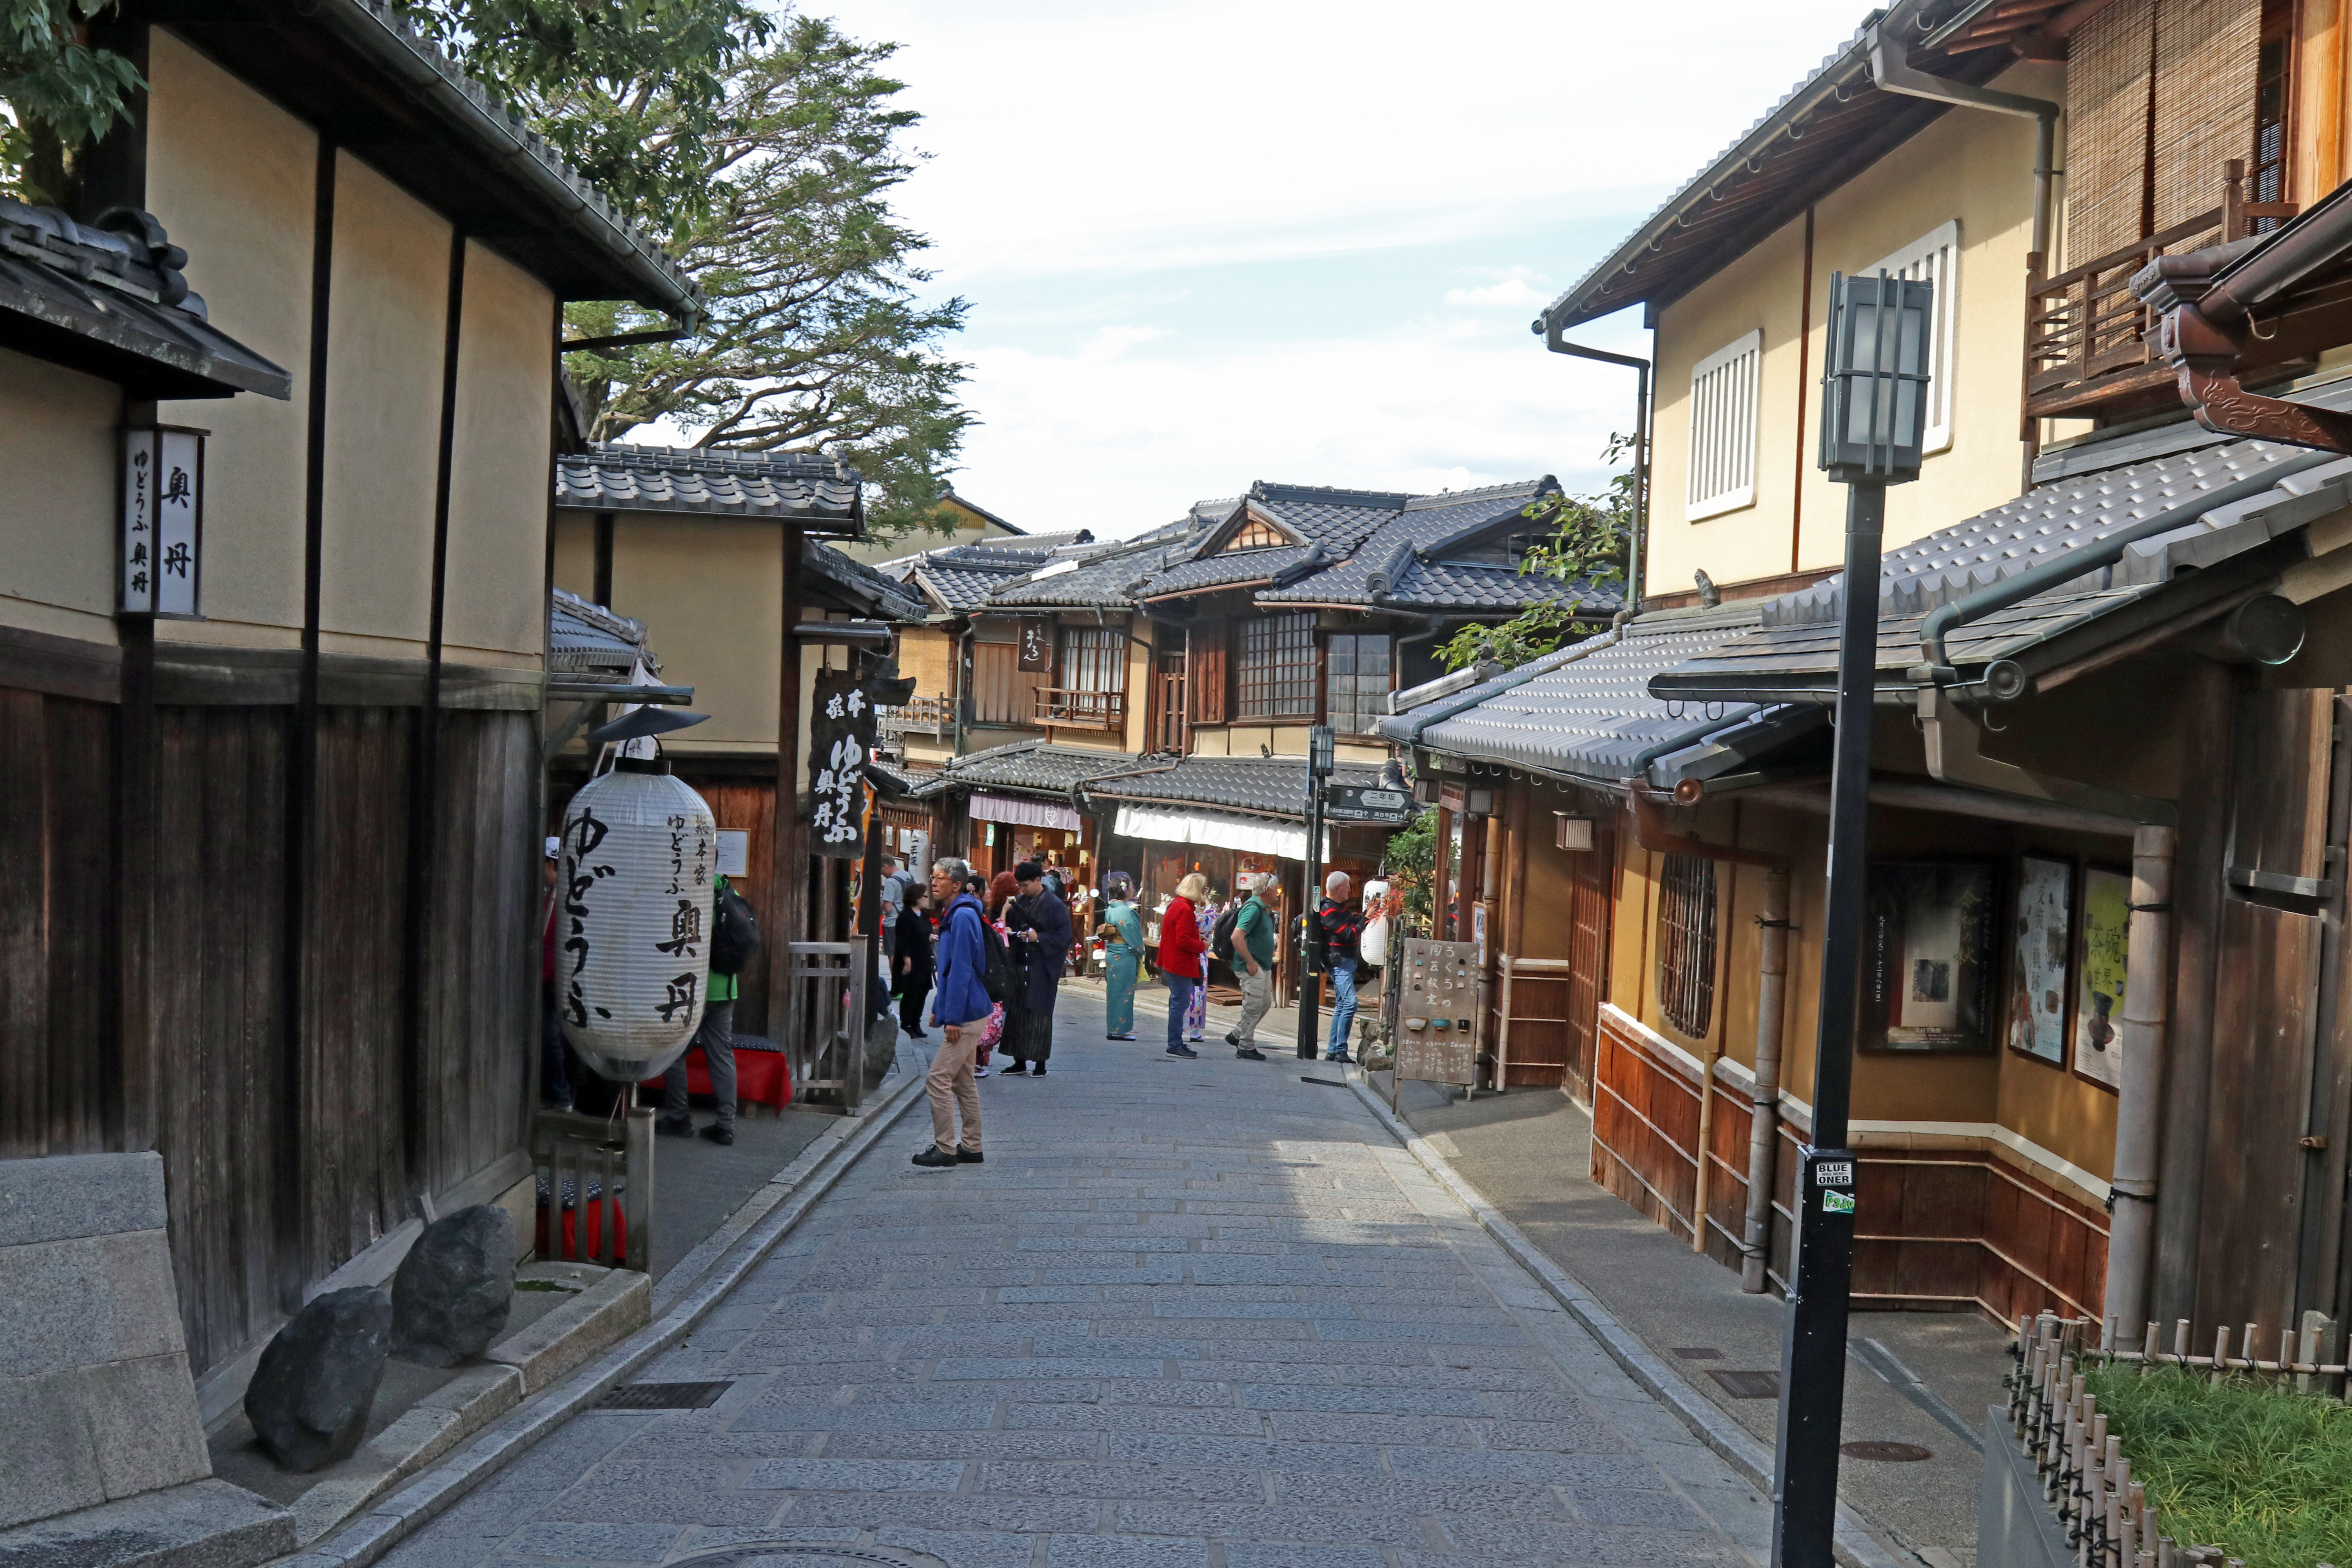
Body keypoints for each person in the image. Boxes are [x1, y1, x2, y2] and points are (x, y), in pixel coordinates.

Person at [657, 870, 741, 1145]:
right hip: (727, 988)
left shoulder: (690, 893)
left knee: (675, 1051)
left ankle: (680, 1117)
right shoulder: (731, 893)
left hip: (693, 989)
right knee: (721, 1055)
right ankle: (726, 1125)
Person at [914, 856, 987, 1169]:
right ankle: (972, 1146)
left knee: (938, 1079)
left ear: (956, 884)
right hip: (969, 1009)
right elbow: (949, 971)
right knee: (962, 1081)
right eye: (933, 876)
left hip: (968, 1013)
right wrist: (939, 1009)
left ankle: (945, 1147)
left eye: (940, 877)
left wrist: (953, 1017)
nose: (934, 882)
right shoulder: (958, 913)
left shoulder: (961, 917)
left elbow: (960, 971)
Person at [1001, 859, 1072, 1075]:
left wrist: (1038, 937)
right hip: (1019, 964)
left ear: (1038, 881)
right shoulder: (1018, 902)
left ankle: (1040, 1064)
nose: (1022, 890)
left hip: (1042, 966)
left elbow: (1064, 936)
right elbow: (1006, 931)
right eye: (1019, 886)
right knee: (1017, 1012)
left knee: (1039, 1013)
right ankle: (1019, 1061)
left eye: (1025, 885)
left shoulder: (1055, 905)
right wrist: (1013, 931)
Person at [1224, 872, 1277, 1061]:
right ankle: (1245, 1046)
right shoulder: (1254, 909)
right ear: (1268, 889)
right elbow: (1237, 936)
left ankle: (1238, 1034)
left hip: (1262, 965)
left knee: (1264, 1003)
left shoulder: (1262, 908)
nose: (1278, 894)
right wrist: (1250, 962)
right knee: (1253, 1006)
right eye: (1276, 890)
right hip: (1253, 966)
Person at [1158, 873, 1208, 1061]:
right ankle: (1175, 1044)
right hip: (1180, 963)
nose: (1205, 893)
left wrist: (1197, 938)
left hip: (1173, 961)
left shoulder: (1177, 905)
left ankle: (1176, 1042)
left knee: (1177, 1003)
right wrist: (1202, 946)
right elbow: (1183, 941)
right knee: (1179, 1004)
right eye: (1203, 889)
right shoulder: (1185, 909)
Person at [1317, 870, 1365, 1064]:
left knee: (1342, 1005)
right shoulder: (1327, 909)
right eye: (1347, 887)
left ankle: (1334, 1050)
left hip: (1346, 960)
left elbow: (1352, 923)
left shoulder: (1340, 908)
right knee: (1350, 1003)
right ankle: (1340, 1050)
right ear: (1338, 888)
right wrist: (1366, 919)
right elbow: (1349, 934)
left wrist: (1365, 917)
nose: (1350, 891)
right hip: (1338, 961)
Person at [539, 837, 571, 1110]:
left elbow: (549, 941)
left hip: (551, 978)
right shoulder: (557, 893)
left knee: (550, 1037)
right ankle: (559, 1093)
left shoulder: (560, 896)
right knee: (553, 1036)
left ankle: (560, 1095)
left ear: (551, 864)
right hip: (554, 976)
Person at [1096, 871, 1143, 1040]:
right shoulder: (1125, 911)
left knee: (1114, 992)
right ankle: (1119, 1030)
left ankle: (1113, 1028)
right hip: (1124, 954)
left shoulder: (1111, 908)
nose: (1133, 889)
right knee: (1124, 992)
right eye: (1131, 886)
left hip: (1112, 953)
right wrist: (1141, 950)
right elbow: (1133, 934)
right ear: (1125, 890)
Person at [893, 888, 934, 1042]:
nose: (926, 900)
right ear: (916, 898)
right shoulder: (905, 917)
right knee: (911, 993)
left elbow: (924, 933)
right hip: (911, 959)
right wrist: (907, 960)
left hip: (924, 958)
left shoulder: (924, 916)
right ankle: (907, 1024)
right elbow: (903, 940)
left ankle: (916, 1023)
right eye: (924, 897)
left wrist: (930, 937)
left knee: (922, 992)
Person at [1185, 886, 1220, 1042]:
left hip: (1186, 955)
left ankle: (1180, 1028)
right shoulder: (1201, 918)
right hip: (1199, 956)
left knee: (1182, 994)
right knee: (1198, 993)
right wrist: (1207, 899)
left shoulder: (1187, 913)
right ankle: (1194, 1031)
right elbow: (1214, 915)